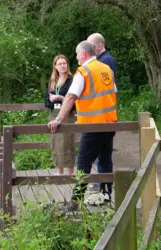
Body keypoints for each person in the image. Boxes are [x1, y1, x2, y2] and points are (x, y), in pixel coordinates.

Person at [47, 41, 117, 211]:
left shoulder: (83, 72)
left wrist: (59, 119)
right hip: (110, 122)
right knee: (106, 160)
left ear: (84, 54)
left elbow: (71, 97)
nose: (76, 57)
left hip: (93, 125)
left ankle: (74, 202)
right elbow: (112, 92)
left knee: (83, 163)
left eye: (77, 54)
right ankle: (106, 195)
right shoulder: (106, 69)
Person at [86, 33, 117, 194]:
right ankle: (102, 185)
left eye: (91, 46)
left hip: (104, 115)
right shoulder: (101, 61)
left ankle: (104, 186)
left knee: (103, 155)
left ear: (98, 46)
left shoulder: (106, 61)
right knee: (100, 154)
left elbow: (107, 88)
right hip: (99, 115)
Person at [44, 54, 76, 175]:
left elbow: (73, 100)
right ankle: (59, 172)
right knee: (55, 142)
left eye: (64, 63)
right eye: (60, 64)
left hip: (67, 113)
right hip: (53, 113)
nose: (63, 66)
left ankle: (70, 174)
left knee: (67, 143)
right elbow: (46, 100)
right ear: (55, 66)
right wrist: (52, 100)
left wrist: (60, 98)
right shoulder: (53, 81)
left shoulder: (72, 80)